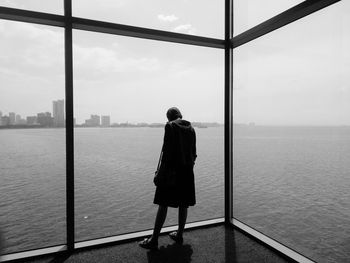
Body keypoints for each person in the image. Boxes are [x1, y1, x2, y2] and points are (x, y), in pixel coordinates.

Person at [139, 107, 197, 249]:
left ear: (168, 117)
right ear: (181, 115)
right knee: (184, 204)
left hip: (171, 171)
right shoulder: (191, 129)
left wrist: (160, 173)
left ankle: (154, 240)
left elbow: (167, 152)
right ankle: (179, 234)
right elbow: (194, 152)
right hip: (187, 171)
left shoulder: (170, 126)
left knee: (163, 204)